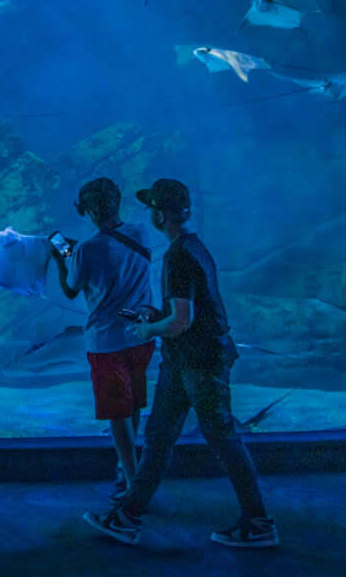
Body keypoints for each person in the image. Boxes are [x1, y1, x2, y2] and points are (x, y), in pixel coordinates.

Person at [86, 178, 279, 548]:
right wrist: (154, 313)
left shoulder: (178, 256)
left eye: (151, 208)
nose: (149, 214)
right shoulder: (195, 247)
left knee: (223, 439)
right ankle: (127, 517)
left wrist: (148, 329)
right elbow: (185, 311)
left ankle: (259, 523)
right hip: (182, 361)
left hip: (200, 362)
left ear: (161, 215)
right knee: (158, 437)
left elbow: (181, 322)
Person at [50, 177, 157, 510]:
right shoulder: (141, 233)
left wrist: (61, 258)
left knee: (117, 412)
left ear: (92, 210)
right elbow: (115, 256)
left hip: (106, 342)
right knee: (133, 404)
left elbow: (71, 289)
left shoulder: (86, 250)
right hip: (140, 335)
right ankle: (127, 470)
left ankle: (133, 483)